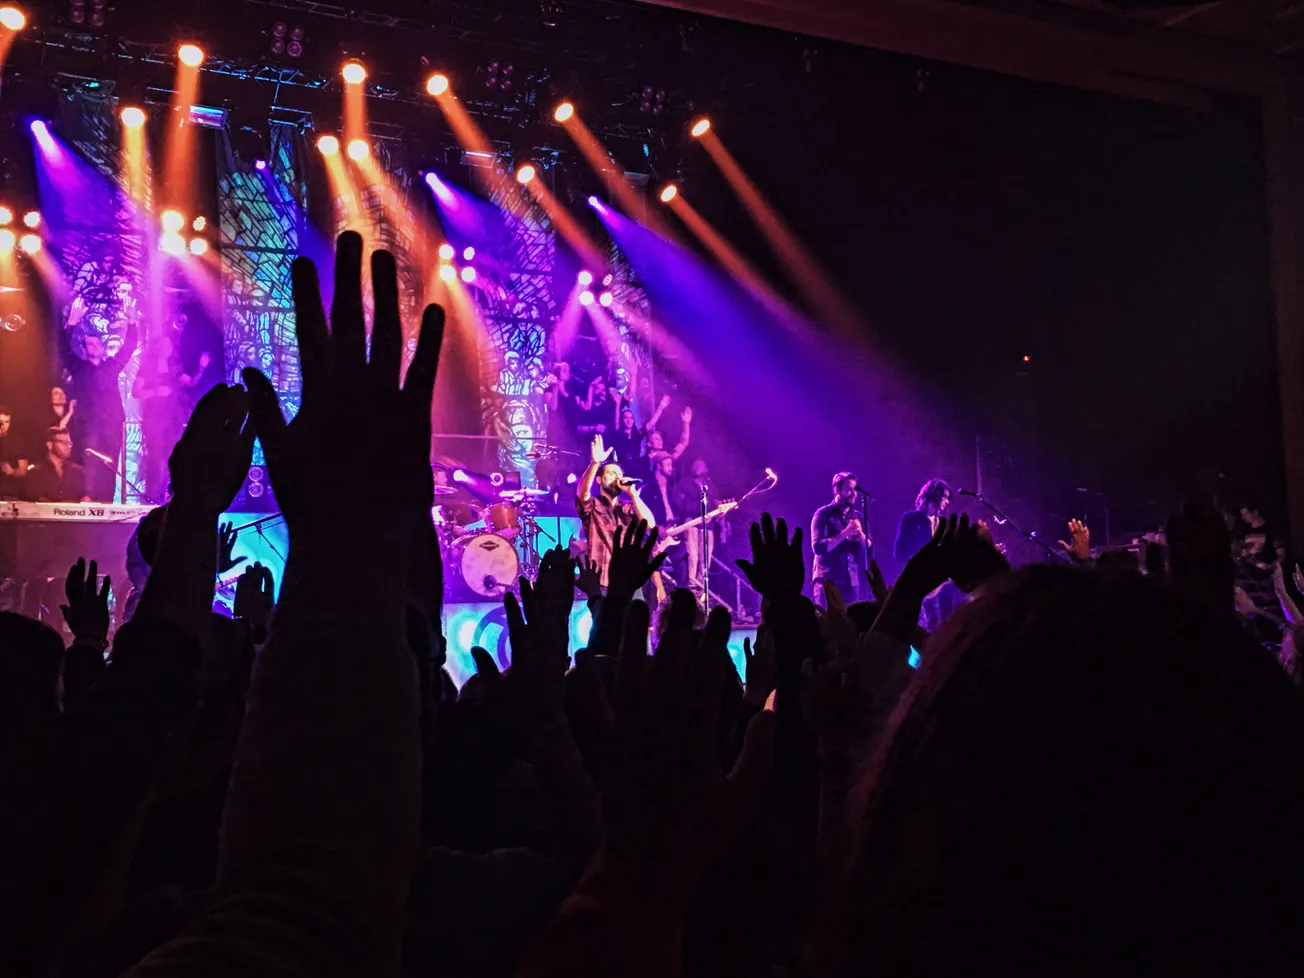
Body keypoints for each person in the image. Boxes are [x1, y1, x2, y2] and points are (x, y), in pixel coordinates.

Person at [60, 321, 137, 502]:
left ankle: (107, 499)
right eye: (89, 344)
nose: (92, 346)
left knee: (110, 462)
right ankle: (88, 496)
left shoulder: (111, 366)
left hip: (112, 423)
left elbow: (129, 347)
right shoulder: (79, 367)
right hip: (90, 422)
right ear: (85, 349)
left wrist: (132, 324)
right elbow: (62, 350)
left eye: (95, 343)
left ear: (102, 348)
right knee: (90, 459)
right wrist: (70, 326)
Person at [575, 433, 656, 588]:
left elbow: (650, 524)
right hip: (602, 581)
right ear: (599, 480)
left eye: (619, 474)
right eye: (611, 473)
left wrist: (633, 494)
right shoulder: (593, 505)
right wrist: (595, 464)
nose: (617, 477)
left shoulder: (628, 506)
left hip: (630, 580)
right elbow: (582, 494)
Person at [894, 477, 956, 628]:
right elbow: (899, 551)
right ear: (934, 495)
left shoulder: (944, 523)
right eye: (945, 497)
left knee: (948, 623)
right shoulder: (910, 519)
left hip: (944, 582)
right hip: (922, 582)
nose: (947, 502)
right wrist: (919, 568)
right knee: (929, 624)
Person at [132, 332, 183, 501]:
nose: (166, 348)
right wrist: (155, 392)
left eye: (169, 345)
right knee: (155, 458)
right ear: (156, 347)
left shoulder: (175, 367)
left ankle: (170, 495)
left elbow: (189, 383)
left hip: (172, 419)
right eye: (163, 345)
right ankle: (152, 496)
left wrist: (202, 368)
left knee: (172, 457)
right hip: (154, 421)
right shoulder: (147, 368)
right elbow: (136, 392)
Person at [673, 458, 727, 601]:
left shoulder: (710, 485)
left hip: (708, 526)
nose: (697, 467)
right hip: (691, 522)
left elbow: (716, 502)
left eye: (701, 465)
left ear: (706, 469)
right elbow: (678, 501)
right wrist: (689, 512)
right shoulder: (684, 483)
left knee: (705, 559)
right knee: (693, 556)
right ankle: (691, 586)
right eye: (695, 464)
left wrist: (721, 520)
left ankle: (700, 589)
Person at [811, 470, 868, 604]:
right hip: (827, 581)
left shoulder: (858, 516)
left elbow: (869, 548)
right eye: (849, 490)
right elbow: (818, 547)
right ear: (837, 490)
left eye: (855, 489)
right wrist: (845, 533)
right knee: (827, 617)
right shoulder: (823, 514)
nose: (853, 494)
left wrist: (860, 535)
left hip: (851, 582)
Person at [607, 393, 670, 481]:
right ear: (622, 420)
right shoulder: (619, 435)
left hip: (637, 469)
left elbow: (651, 423)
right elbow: (616, 422)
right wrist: (617, 405)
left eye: (631, 418)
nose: (629, 420)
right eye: (626, 418)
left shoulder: (637, 435)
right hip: (623, 471)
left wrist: (661, 407)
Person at [23, 427, 89, 503]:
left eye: (69, 443)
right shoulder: (36, 471)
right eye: (63, 443)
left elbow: (83, 495)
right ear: (49, 445)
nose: (68, 446)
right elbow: (35, 498)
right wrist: (58, 507)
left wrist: (85, 499)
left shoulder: (77, 471)